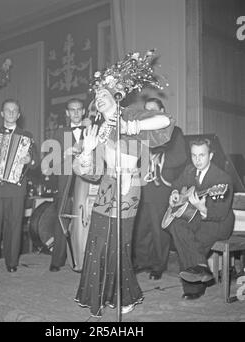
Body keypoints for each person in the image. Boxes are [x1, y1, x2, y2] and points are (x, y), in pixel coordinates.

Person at [73, 51, 175, 317]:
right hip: (106, 188)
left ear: (116, 96)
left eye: (104, 95)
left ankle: (126, 295)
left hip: (129, 186)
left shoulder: (130, 114)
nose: (100, 99)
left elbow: (165, 122)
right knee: (97, 242)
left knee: (119, 245)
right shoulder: (98, 128)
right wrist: (87, 151)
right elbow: (89, 172)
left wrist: (130, 128)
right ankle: (101, 296)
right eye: (97, 97)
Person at [168, 138, 234, 299]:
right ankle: (202, 266)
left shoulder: (222, 179)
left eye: (202, 155)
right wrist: (175, 193)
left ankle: (193, 289)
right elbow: (177, 184)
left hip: (218, 222)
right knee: (176, 227)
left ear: (210, 155)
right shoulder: (189, 170)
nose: (197, 160)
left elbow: (221, 213)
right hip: (195, 217)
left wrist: (202, 207)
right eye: (194, 155)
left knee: (190, 240)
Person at [0, 99, 38, 273]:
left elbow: (36, 162)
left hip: (16, 187)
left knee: (14, 225)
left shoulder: (27, 135)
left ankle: (12, 262)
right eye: (7, 110)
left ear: (19, 115)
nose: (11, 113)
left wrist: (29, 160)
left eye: (14, 111)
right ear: (2, 113)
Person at [132, 98, 187, 280]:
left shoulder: (175, 132)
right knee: (141, 227)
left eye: (153, 110)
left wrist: (158, 158)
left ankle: (158, 264)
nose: (148, 114)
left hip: (161, 186)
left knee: (158, 229)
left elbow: (180, 157)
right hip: (141, 186)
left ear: (163, 111)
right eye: (146, 110)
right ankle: (141, 261)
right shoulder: (141, 133)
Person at [42, 98, 90, 272]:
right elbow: (49, 162)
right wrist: (65, 153)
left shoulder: (92, 130)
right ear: (67, 113)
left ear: (83, 111)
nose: (76, 113)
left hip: (87, 180)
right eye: (72, 110)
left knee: (87, 219)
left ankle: (85, 258)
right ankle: (57, 260)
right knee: (62, 217)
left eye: (79, 109)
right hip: (66, 180)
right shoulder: (59, 133)